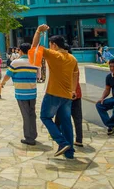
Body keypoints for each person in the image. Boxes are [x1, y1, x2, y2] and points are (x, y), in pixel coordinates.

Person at [31, 25, 79, 159]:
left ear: (54, 45)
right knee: (66, 122)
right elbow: (75, 74)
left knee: (45, 117)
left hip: (53, 93)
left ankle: (61, 142)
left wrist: (38, 31)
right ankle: (69, 152)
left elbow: (34, 48)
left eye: (51, 44)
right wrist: (73, 89)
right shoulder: (72, 58)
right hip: (67, 95)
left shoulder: (54, 55)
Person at [2, 43, 39, 145]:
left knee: (25, 115)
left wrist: (3, 83)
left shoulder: (15, 63)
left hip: (21, 93)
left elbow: (7, 75)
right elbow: (38, 76)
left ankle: (29, 138)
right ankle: (33, 134)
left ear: (20, 51)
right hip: (32, 92)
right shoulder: (34, 61)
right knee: (32, 114)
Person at [55, 47, 84, 147]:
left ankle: (59, 136)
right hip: (76, 93)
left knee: (60, 116)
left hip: (66, 94)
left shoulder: (65, 65)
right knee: (77, 117)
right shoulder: (74, 63)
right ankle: (79, 139)